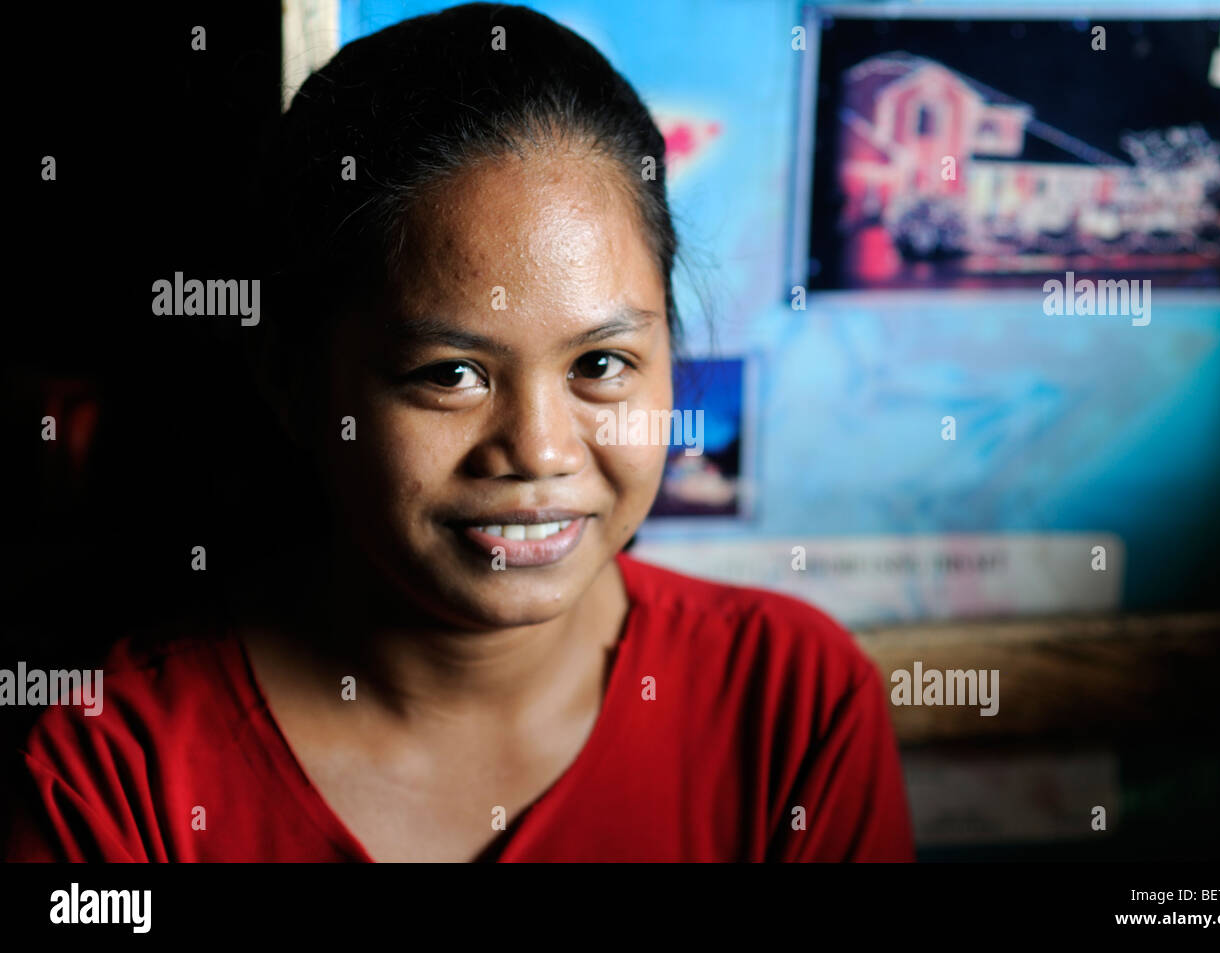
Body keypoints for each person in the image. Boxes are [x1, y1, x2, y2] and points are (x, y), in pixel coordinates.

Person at [3, 3, 913, 862]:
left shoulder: (793, 706)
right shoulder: (119, 776)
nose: (541, 450)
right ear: (290, 378)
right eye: (451, 375)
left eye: (600, 365)